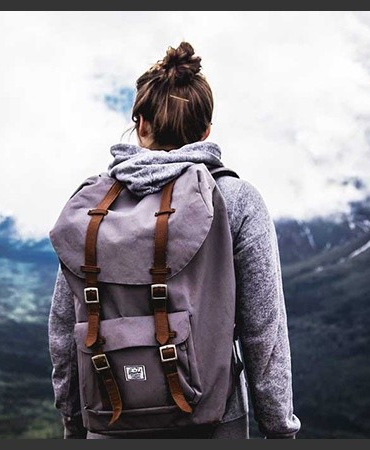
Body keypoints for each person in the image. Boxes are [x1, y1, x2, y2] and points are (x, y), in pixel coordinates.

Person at [48, 41, 301, 439]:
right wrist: (279, 427)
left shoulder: (95, 209)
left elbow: (65, 327)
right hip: (213, 421)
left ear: (141, 124)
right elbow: (263, 328)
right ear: (205, 131)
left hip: (109, 417)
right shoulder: (234, 199)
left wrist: (73, 421)